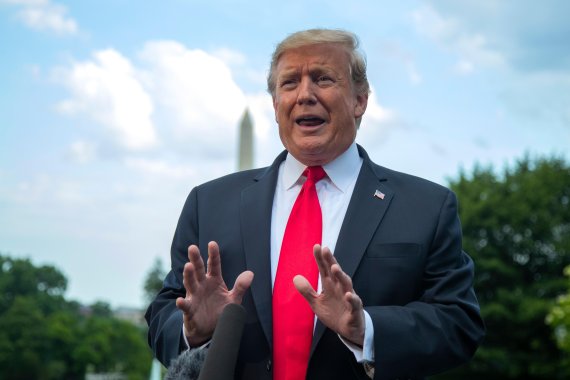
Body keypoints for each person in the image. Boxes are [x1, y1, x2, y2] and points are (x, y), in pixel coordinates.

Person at [145, 28, 485, 380]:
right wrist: (193, 330)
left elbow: (459, 323)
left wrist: (365, 328)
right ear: (276, 105)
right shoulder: (209, 202)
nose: (305, 94)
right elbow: (161, 316)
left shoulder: (426, 207)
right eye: (289, 83)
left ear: (360, 100)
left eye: (323, 79)